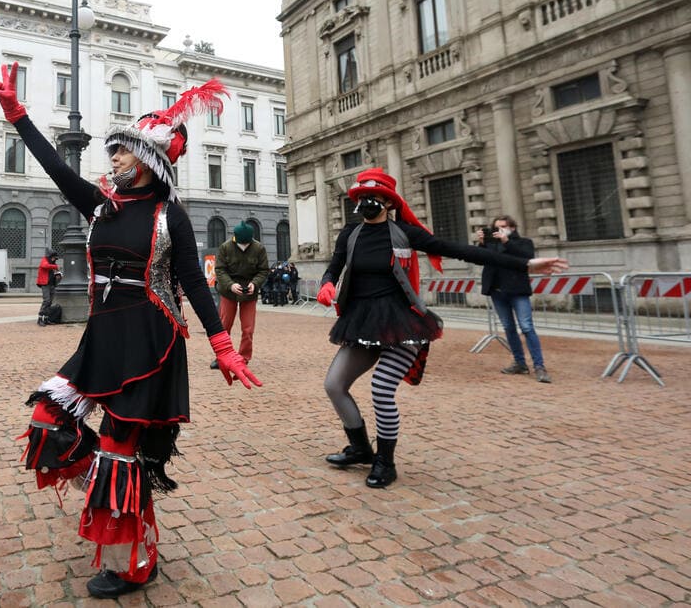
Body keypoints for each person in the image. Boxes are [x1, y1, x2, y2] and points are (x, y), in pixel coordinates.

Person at [0, 64, 261, 599]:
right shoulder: (102, 205)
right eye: (112, 150)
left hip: (151, 344)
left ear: (149, 159)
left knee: (119, 450)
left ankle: (133, 563)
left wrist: (223, 344)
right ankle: (117, 488)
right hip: (101, 338)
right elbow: (54, 168)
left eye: (122, 150)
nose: (111, 158)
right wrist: (17, 116)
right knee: (48, 422)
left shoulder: (170, 215)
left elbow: (192, 281)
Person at [315, 168, 567, 489]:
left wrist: (526, 264)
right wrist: (326, 285)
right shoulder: (349, 235)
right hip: (360, 322)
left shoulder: (405, 233)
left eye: (373, 199)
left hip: (402, 323)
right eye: (362, 198)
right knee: (334, 385)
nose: (366, 203)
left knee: (381, 389)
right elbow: (334, 267)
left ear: (388, 203)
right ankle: (361, 448)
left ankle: (385, 462)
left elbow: (461, 250)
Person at [477, 215, 551, 383]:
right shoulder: (491, 245)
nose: (500, 230)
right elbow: (479, 259)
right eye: (497, 227)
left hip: (518, 291)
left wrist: (506, 242)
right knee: (509, 327)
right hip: (497, 291)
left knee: (526, 327)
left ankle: (539, 366)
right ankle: (519, 363)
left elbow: (527, 257)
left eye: (504, 226)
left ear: (512, 228)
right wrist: (481, 243)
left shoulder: (523, 242)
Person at [210, 223, 268, 369]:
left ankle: (243, 358)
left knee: (248, 329)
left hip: (249, 293)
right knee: (224, 326)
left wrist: (254, 284)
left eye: (247, 243)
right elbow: (220, 270)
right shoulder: (225, 247)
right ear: (235, 238)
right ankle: (221, 356)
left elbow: (263, 271)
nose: (244, 246)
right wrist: (230, 285)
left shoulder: (259, 248)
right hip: (228, 291)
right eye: (241, 243)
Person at [36, 248, 61, 326]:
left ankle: (46, 318)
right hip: (45, 284)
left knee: (50, 301)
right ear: (50, 256)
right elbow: (44, 265)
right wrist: (54, 266)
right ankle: (40, 318)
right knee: (46, 300)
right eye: (54, 258)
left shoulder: (52, 264)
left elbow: (53, 272)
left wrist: (58, 275)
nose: (54, 259)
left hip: (51, 284)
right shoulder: (45, 260)